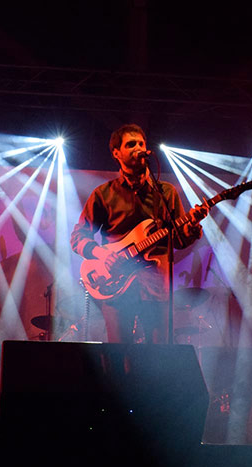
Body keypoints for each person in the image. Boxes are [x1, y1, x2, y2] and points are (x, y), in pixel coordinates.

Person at [71, 124, 206, 343]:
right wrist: (103, 255)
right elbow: (78, 237)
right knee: (120, 353)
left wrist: (191, 226)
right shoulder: (103, 194)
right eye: (130, 144)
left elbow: (179, 240)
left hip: (154, 284)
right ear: (117, 153)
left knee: (159, 355)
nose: (138, 148)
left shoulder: (165, 193)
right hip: (114, 283)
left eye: (141, 143)